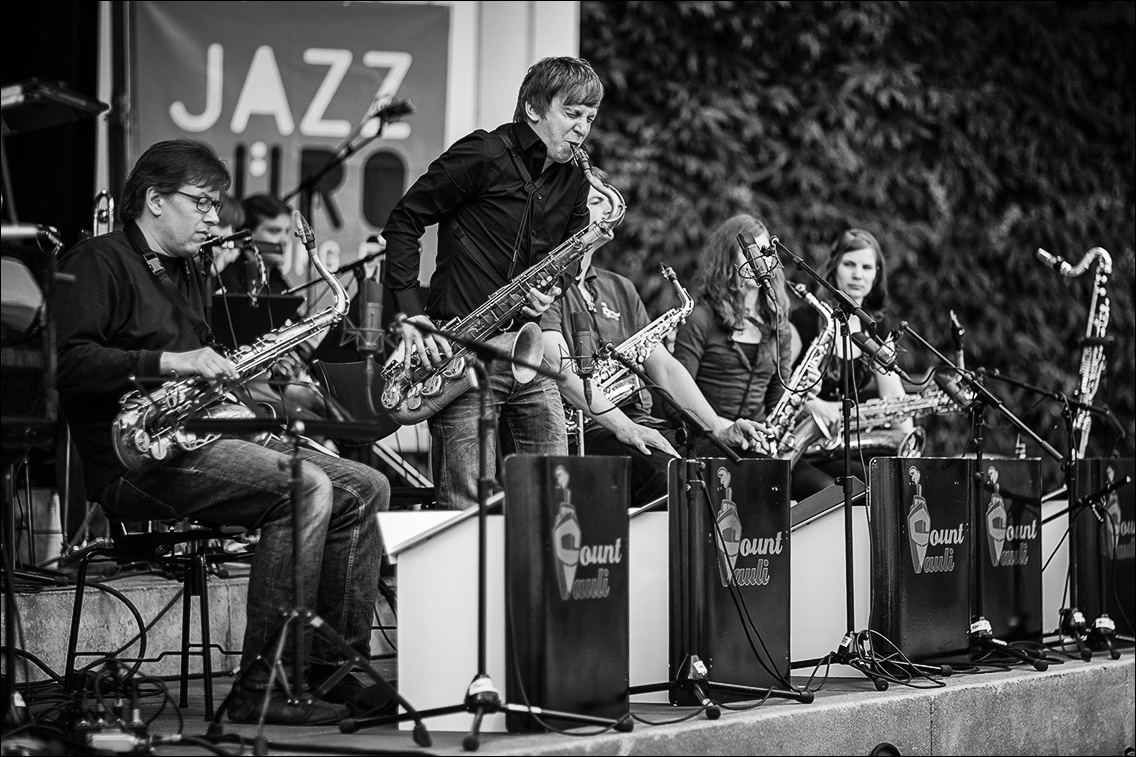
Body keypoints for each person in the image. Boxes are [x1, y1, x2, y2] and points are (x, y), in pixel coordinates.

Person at [55, 139, 391, 725]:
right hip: (133, 459)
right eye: (203, 203)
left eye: (217, 205)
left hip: (200, 439)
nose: (214, 218)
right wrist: (170, 364)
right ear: (155, 200)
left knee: (366, 486)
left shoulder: (188, 271)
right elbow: (67, 363)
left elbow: (202, 370)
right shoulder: (98, 260)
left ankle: (331, 671)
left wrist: (247, 379)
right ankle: (262, 687)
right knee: (305, 485)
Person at [382, 56, 605, 510]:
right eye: (572, 114)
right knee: (467, 503)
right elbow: (404, 219)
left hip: (527, 347)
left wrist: (553, 288)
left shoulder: (576, 179)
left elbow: (565, 258)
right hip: (462, 349)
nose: (582, 128)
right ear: (534, 108)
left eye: (590, 118)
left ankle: (542, 582)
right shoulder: (484, 154)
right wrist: (412, 313)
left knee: (554, 494)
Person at [541, 175, 765, 506]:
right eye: (596, 201)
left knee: (748, 467)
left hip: (643, 422)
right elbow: (561, 371)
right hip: (593, 429)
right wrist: (625, 426)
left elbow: (664, 367)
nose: (610, 208)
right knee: (670, 478)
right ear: (568, 214)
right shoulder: (546, 287)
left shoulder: (621, 287)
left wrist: (716, 427)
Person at [788, 227, 911, 499]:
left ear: (877, 273)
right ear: (834, 269)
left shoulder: (878, 328)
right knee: (861, 485)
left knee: (891, 481)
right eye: (850, 264)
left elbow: (893, 396)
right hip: (804, 445)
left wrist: (911, 449)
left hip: (847, 446)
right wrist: (815, 405)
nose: (858, 274)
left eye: (867, 267)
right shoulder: (805, 321)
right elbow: (777, 383)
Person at [672, 214, 794, 460]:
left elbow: (776, 402)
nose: (757, 260)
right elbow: (675, 402)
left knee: (827, 487)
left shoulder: (778, 324)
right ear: (727, 258)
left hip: (757, 444)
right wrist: (727, 426)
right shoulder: (701, 319)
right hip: (706, 438)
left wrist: (798, 396)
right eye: (747, 252)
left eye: (762, 252)